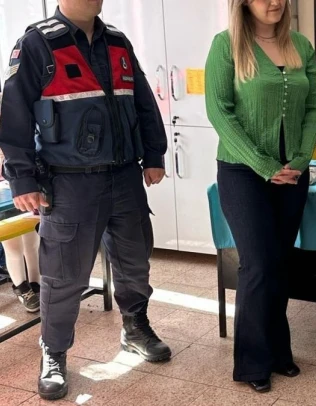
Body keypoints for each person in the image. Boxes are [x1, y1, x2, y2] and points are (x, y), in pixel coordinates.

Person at [0, 0, 172, 400]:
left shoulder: (118, 41)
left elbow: (144, 102)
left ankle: (135, 327)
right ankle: (54, 353)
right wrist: (22, 178)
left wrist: (155, 154)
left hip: (125, 176)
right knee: (63, 277)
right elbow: (15, 117)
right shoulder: (36, 44)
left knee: (135, 261)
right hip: (69, 184)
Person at [204, 0, 316, 394]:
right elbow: (219, 112)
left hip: (292, 172)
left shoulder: (301, 46)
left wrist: (301, 159)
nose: (275, 2)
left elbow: (313, 107)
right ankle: (252, 362)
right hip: (242, 172)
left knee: (280, 263)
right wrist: (262, 164)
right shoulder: (226, 45)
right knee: (257, 264)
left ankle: (277, 350)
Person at [0, 92, 41, 312]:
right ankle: (21, 287)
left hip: (25, 195)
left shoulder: (19, 132)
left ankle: (36, 284)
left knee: (32, 243)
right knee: (13, 247)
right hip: (5, 203)